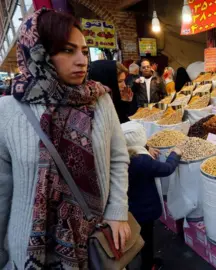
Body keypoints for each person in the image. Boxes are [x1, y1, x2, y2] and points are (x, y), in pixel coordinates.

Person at [0, 9, 131, 269]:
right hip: (29, 249)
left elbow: (118, 157)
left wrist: (118, 211)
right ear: (39, 52)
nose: (82, 60)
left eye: (84, 50)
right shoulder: (8, 110)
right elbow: (2, 191)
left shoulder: (100, 99)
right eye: (68, 50)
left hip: (94, 240)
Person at [121, 121, 182, 270]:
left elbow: (136, 149)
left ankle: (133, 261)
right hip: (144, 210)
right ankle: (149, 265)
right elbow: (167, 169)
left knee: (134, 238)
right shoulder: (142, 161)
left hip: (129, 208)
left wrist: (147, 149)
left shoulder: (123, 156)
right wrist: (175, 154)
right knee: (146, 238)